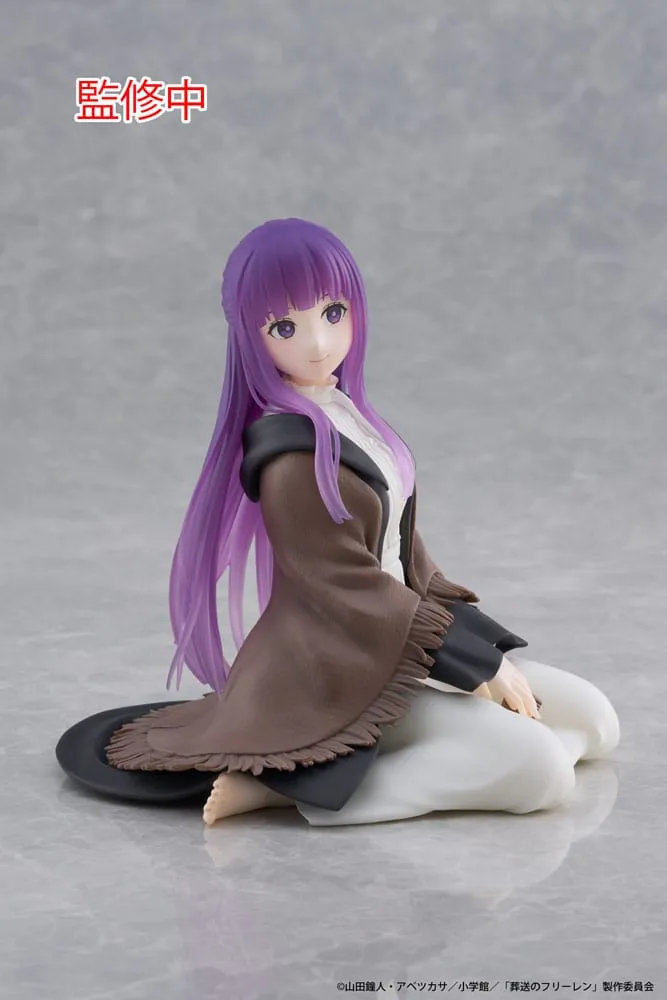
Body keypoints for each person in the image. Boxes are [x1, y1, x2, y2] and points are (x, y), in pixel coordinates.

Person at [97, 218, 619, 827]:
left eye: (333, 312)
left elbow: (409, 561)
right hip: (338, 669)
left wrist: (479, 651)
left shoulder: (349, 416)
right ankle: (293, 790)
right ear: (250, 336)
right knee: (543, 774)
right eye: (285, 327)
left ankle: (396, 763)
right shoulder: (289, 457)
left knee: (595, 723)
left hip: (402, 645)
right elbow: (349, 588)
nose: (318, 343)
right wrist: (470, 663)